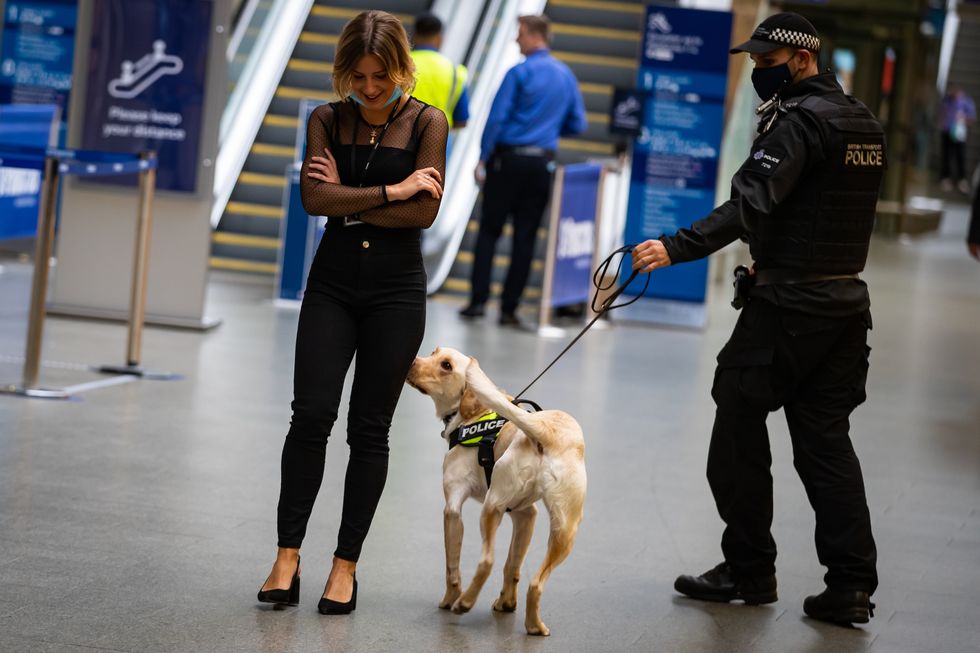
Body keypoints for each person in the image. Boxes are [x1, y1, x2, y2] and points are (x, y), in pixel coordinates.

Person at [631, 12, 882, 626]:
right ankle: (850, 584)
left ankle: (748, 568)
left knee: (737, 422)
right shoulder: (861, 121)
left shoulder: (799, 125)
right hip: (845, 306)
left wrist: (676, 247)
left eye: (768, 64)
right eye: (754, 63)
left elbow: (751, 201)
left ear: (803, 59)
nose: (758, 74)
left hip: (787, 310)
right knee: (825, 442)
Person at [257, 10, 448, 615]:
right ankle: (287, 557)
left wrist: (350, 204)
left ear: (401, 69)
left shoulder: (428, 122)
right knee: (310, 416)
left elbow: (425, 216)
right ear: (345, 70)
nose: (369, 88)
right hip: (332, 286)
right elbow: (315, 197)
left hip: (396, 292)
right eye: (359, 75)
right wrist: (393, 191)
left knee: (370, 429)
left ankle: (345, 567)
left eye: (381, 75)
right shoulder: (324, 117)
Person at [459, 14, 587, 327]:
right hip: (542, 163)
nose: (516, 39)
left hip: (508, 161)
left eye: (520, 33)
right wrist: (547, 129)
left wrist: (483, 157)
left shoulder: (518, 73)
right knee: (525, 237)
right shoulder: (565, 76)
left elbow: (497, 118)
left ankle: (478, 303)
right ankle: (509, 309)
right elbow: (578, 124)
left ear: (533, 35)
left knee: (490, 231)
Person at [410, 12, 470, 129]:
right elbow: (461, 120)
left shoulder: (399, 63)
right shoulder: (455, 71)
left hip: (399, 137)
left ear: (414, 36)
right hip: (437, 138)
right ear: (439, 38)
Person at [939, 86, 976, 194]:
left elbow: (972, 117)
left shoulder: (967, 102)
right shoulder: (947, 100)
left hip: (959, 133)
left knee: (960, 156)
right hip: (947, 131)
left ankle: (961, 179)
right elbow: (941, 112)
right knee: (946, 155)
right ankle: (946, 178)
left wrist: (963, 118)